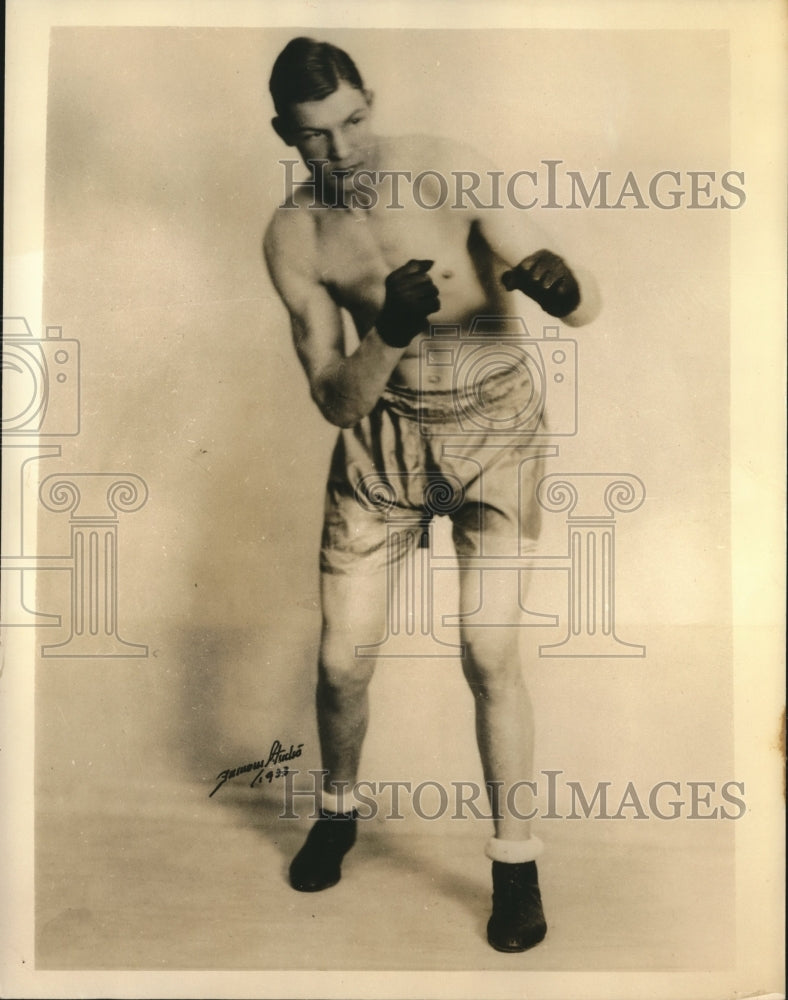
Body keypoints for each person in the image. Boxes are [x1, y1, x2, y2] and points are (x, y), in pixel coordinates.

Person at [263, 36, 599, 953]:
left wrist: (566, 290)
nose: (342, 150)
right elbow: (336, 399)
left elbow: (580, 301)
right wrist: (393, 332)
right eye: (314, 137)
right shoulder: (295, 236)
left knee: (489, 656)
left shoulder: (451, 169)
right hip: (381, 444)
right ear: (284, 137)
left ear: (373, 100)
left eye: (354, 121)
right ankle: (337, 812)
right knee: (341, 664)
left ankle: (515, 866)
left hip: (495, 432)